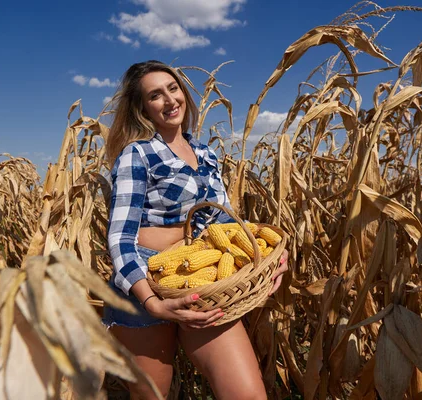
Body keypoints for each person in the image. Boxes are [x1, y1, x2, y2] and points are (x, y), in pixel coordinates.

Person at [103, 60, 288, 400]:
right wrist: (152, 302)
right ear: (142, 107)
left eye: (173, 89)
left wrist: (264, 253)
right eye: (155, 95)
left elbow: (224, 222)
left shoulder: (206, 154)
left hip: (203, 281)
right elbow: (120, 238)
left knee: (248, 394)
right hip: (145, 281)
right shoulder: (138, 154)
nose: (169, 100)